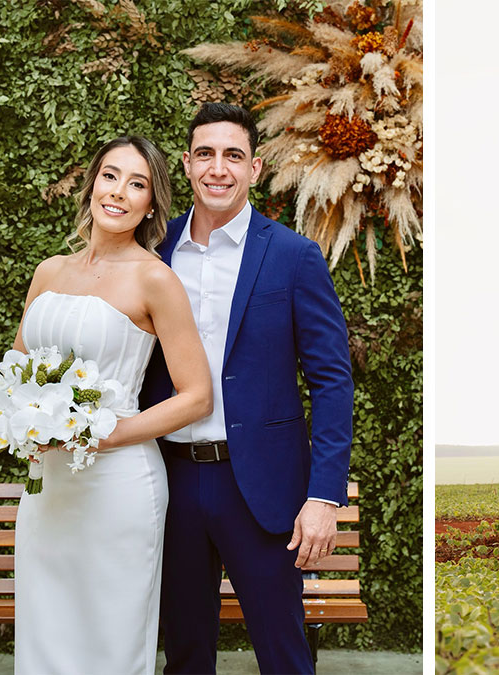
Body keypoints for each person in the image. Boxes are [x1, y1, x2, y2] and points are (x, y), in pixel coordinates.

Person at [139, 102, 354, 675]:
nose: (218, 168)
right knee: (183, 653)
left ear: (254, 169)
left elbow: (332, 380)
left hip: (262, 489)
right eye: (205, 154)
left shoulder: (293, 256)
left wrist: (324, 496)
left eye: (233, 155)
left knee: (283, 654)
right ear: (186, 164)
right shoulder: (152, 254)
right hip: (171, 480)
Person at [11, 136, 214, 674]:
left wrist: (103, 434)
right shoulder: (49, 272)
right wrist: (20, 421)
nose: (119, 192)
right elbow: (17, 369)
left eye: (137, 184)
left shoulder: (155, 279)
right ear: (93, 183)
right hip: (47, 482)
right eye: (110, 175)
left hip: (119, 484)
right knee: (45, 630)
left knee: (110, 640)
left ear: (151, 203)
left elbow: (196, 396)